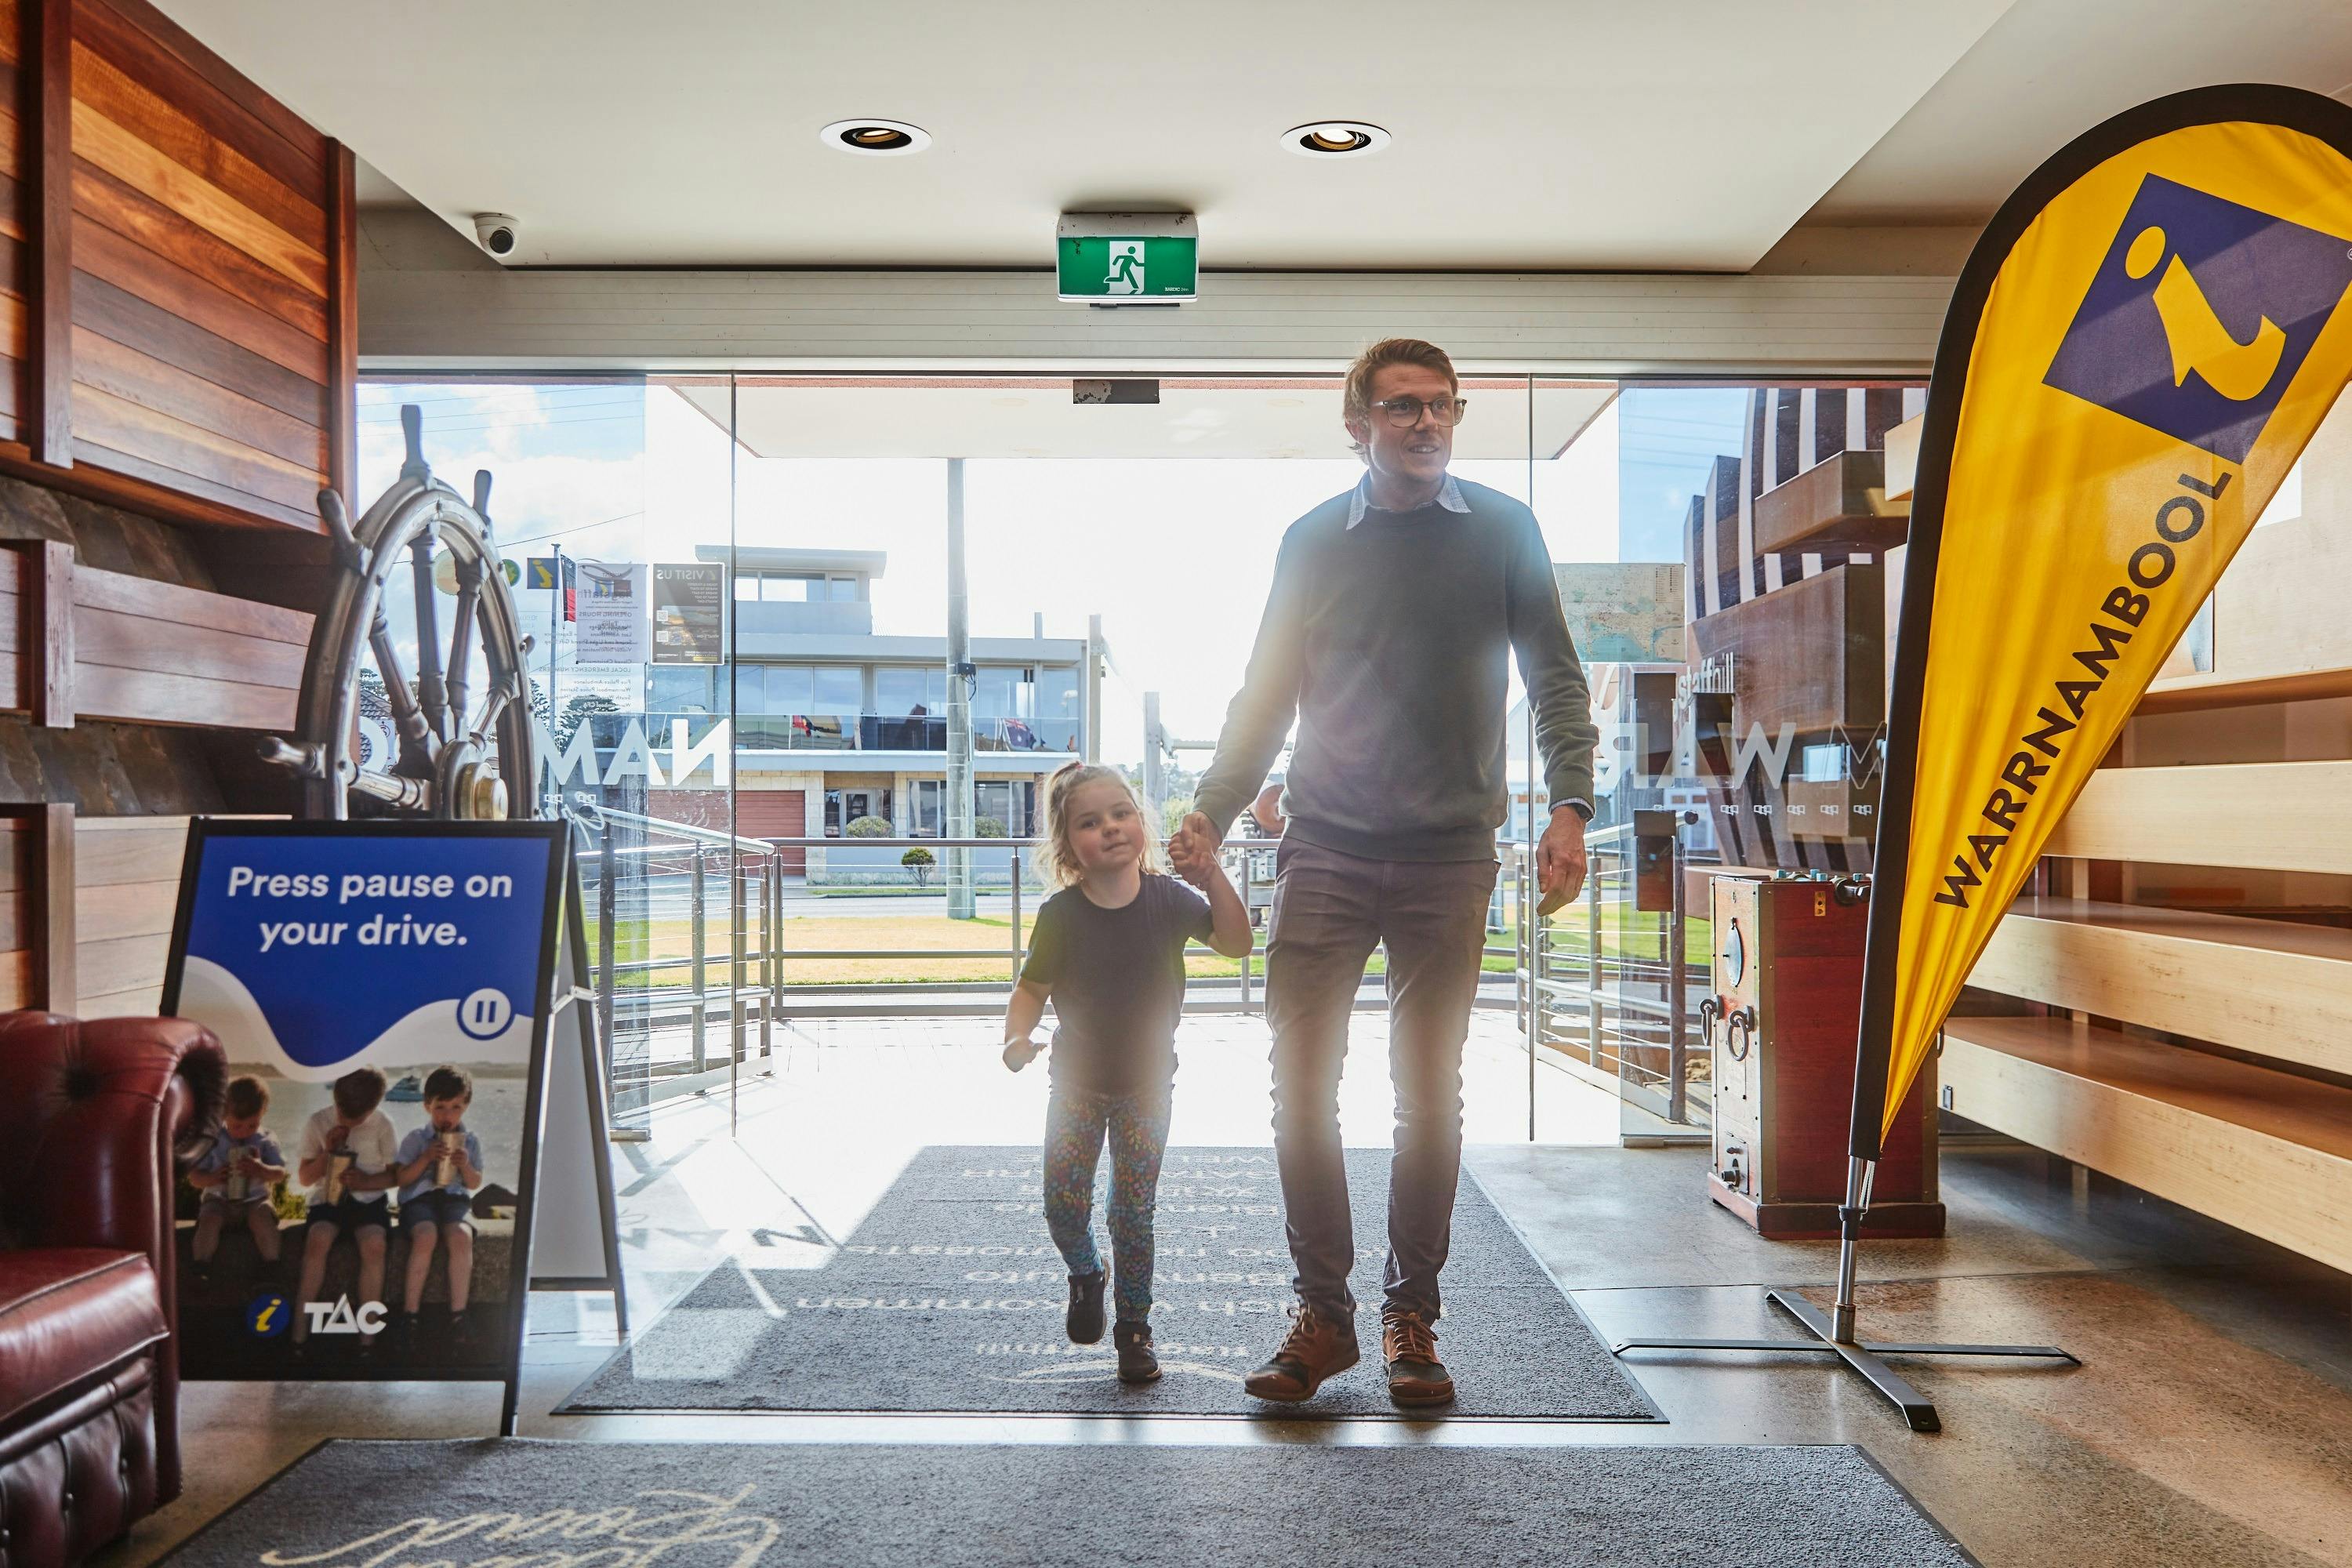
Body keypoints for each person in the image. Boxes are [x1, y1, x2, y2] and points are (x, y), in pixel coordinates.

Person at [1171, 337, 1598, 1407]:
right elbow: (1265, 694)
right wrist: (1214, 813)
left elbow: (1555, 677)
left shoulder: (1506, 530)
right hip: (1325, 846)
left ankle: (1414, 1318)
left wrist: (1573, 810)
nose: (1428, 425)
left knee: (1428, 1096)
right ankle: (1324, 1316)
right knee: (1300, 1090)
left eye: (1443, 407)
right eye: (1403, 409)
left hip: (1452, 857)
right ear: (1357, 422)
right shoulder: (1312, 542)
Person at [1001, 761, 1252, 1383]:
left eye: (1121, 814)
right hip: (1076, 1085)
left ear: (1141, 823)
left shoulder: (1169, 901)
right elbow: (1030, 989)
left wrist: (1212, 872)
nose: (1110, 828)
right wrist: (1016, 1035)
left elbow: (1238, 942)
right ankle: (1087, 1273)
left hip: (1146, 1087)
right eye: (1090, 822)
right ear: (1068, 845)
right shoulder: (1061, 915)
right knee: (1063, 1205)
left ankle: (1134, 1330)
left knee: (1132, 1213)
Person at [292, 1066, 400, 1348]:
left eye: (357, 1118)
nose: (348, 1121)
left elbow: (395, 1175)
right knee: (318, 1240)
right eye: (342, 1112)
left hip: (369, 1201)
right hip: (328, 1200)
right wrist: (327, 1153)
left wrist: (367, 1181)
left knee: (375, 1245)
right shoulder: (319, 1121)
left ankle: (368, 1335)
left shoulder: (382, 1125)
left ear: (374, 1106)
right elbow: (304, 1178)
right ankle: (299, 1331)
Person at [392, 1065, 485, 1348]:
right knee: (426, 1236)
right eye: (440, 1107)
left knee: (460, 1237)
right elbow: (402, 1178)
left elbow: (474, 1183)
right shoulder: (415, 1139)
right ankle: (410, 1314)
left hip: (454, 1198)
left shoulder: (470, 1141)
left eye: (455, 1107)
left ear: (466, 1106)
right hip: (419, 1200)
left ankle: (458, 1314)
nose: (447, 1115)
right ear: (427, 1106)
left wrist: (464, 1164)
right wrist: (425, 1159)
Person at [188, 1075, 287, 1277]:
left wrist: (261, 1170)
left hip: (254, 1200)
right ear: (224, 1115)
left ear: (263, 1114)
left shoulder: (265, 1139)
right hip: (219, 1200)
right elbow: (195, 1178)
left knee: (263, 1219)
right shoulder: (214, 1139)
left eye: (252, 1126)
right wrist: (214, 1177)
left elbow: (280, 1174)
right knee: (209, 1220)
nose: (244, 1133)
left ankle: (273, 1266)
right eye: (237, 1126)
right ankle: (201, 1267)